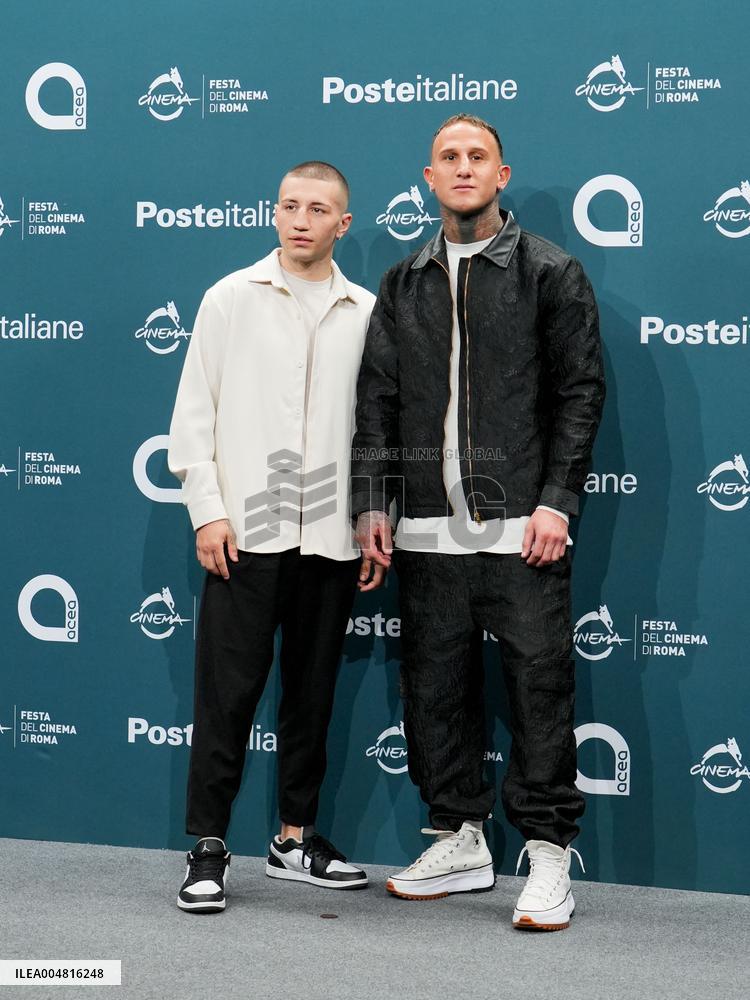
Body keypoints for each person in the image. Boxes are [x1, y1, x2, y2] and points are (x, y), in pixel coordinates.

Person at [352, 115, 605, 930]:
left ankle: (548, 854)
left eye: (477, 157)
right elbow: (378, 404)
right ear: (430, 179)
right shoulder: (402, 283)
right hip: (426, 532)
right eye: (449, 158)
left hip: (522, 529)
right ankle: (461, 837)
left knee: (539, 691)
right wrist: (371, 502)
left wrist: (558, 500)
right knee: (433, 694)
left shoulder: (551, 272)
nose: (463, 169)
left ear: (502, 175)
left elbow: (579, 393)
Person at [168, 161, 377, 913]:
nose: (300, 219)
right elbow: (194, 415)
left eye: (318, 209)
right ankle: (207, 848)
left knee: (311, 698)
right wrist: (208, 511)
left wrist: (368, 515)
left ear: (342, 224)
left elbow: (375, 430)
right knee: (225, 699)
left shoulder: (365, 310)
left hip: (330, 537)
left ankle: (294, 840)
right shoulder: (230, 298)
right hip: (245, 534)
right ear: (274, 212)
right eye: (289, 205)